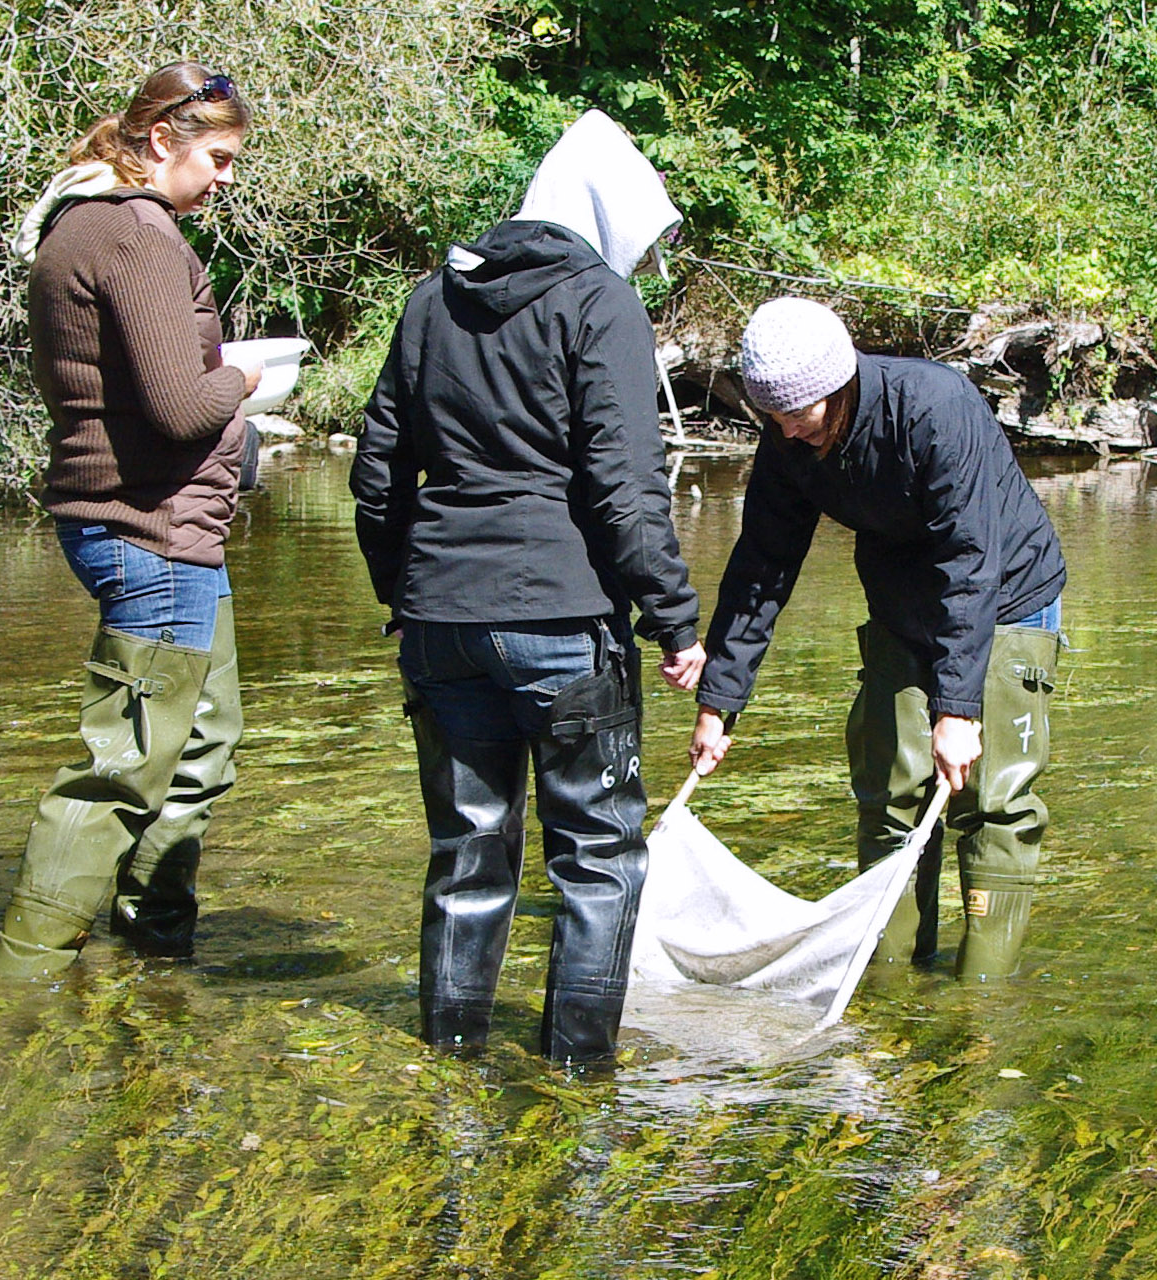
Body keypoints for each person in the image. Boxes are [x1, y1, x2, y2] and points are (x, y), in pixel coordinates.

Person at [351, 110, 706, 1063]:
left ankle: (449, 1062)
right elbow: (625, 491)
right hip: (559, 619)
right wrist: (677, 623)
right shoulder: (600, 303)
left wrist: (409, 592)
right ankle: (578, 1081)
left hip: (439, 624)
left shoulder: (430, 301)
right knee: (595, 857)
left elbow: (377, 475)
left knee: (468, 854)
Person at [687, 298, 1067, 981]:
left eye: (795, 416)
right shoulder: (788, 440)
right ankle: (892, 988)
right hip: (899, 605)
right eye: (769, 418)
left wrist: (958, 710)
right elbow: (761, 565)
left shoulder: (935, 408)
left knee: (990, 803)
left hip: (1006, 596)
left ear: (837, 391)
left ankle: (979, 999)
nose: (784, 431)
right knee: (891, 792)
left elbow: (970, 561)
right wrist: (719, 699)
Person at [0, 62, 263, 977]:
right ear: (158, 143)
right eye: (217, 158)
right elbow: (183, 408)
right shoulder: (133, 235)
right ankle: (24, 971)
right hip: (148, 532)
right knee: (126, 766)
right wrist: (247, 380)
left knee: (199, 747)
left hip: (171, 530)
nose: (225, 178)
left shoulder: (88, 225)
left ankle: (154, 956)